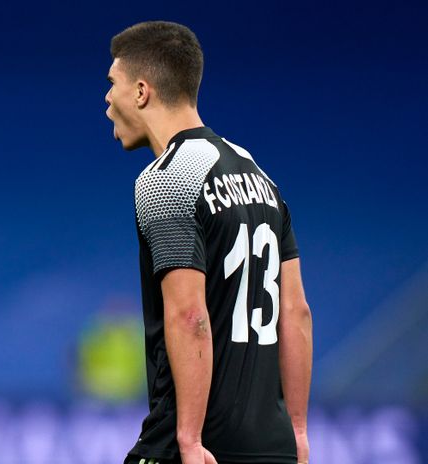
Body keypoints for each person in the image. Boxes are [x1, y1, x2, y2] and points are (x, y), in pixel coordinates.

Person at [104, 21, 312, 464]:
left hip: (198, 448)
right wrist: (295, 432)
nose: (106, 101)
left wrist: (189, 439)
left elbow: (189, 315)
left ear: (141, 92)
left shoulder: (167, 179)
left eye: (112, 84)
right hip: (272, 448)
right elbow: (296, 312)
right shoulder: (260, 176)